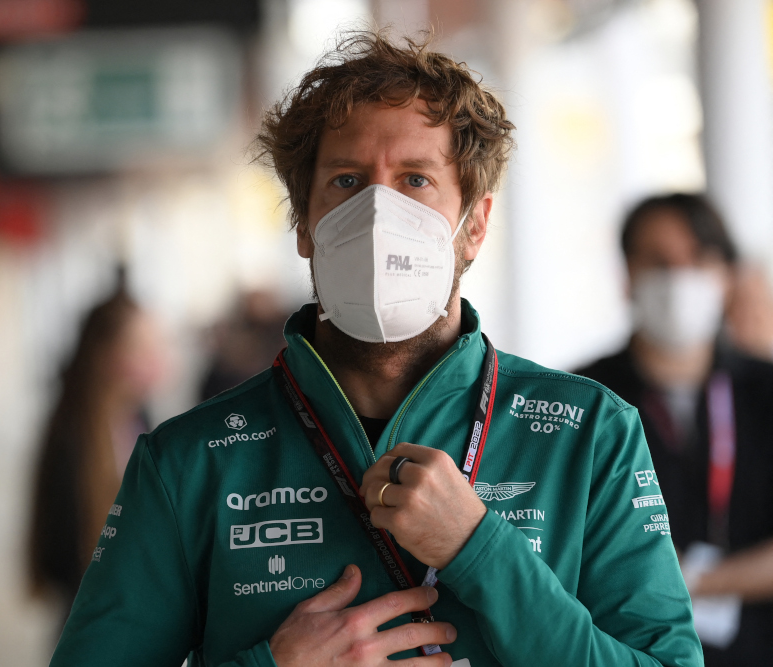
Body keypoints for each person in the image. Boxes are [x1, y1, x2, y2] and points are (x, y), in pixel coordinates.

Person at [50, 31, 702, 666]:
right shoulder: (190, 462)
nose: (378, 215)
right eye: (346, 181)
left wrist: (480, 550)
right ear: (304, 225)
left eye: (415, 180)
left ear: (474, 225)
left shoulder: (589, 435)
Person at [576, 193, 773, 665]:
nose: (679, 278)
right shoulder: (581, 399)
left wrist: (695, 580)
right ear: (627, 276)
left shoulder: (765, 391)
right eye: (659, 262)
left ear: (726, 274)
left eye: (698, 259)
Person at [28, 282, 169, 624]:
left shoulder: (141, 417)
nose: (156, 358)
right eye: (140, 346)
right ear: (105, 353)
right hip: (93, 614)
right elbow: (60, 548)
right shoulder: (74, 431)